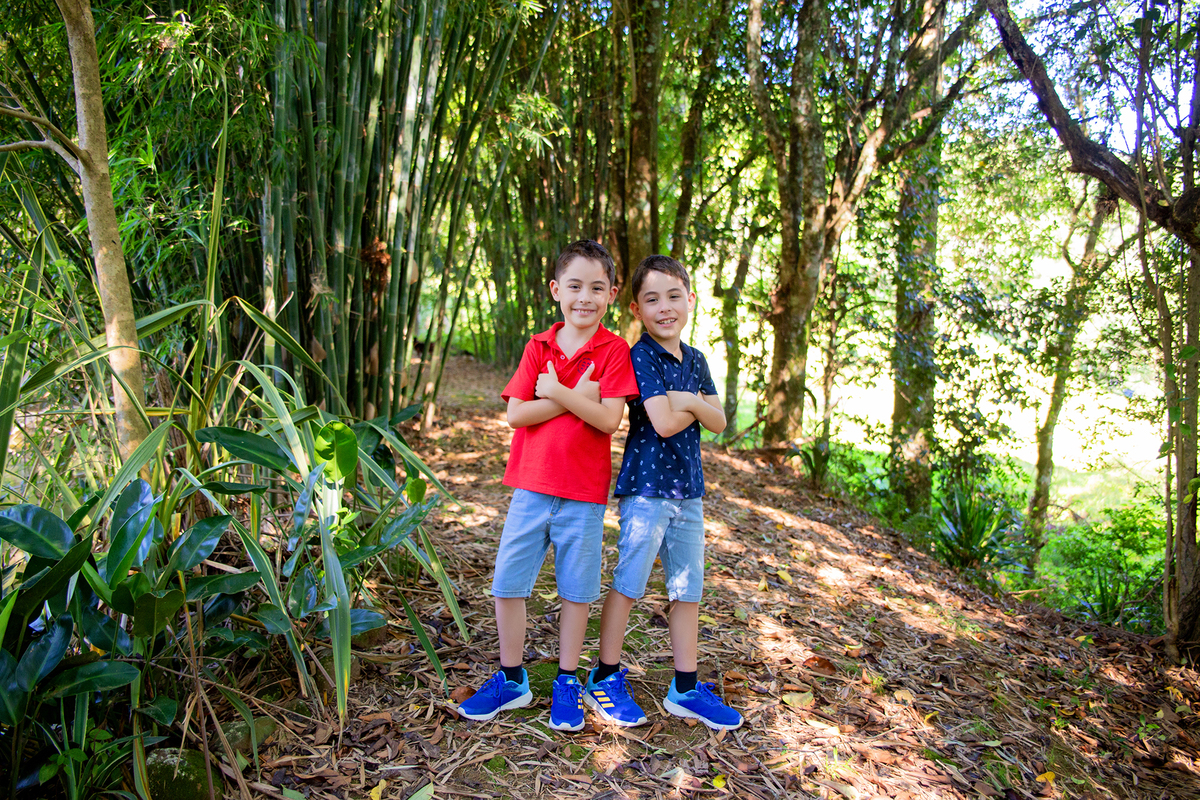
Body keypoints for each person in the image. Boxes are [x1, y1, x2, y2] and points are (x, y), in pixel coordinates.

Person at [456, 240, 639, 732]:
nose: (585, 297)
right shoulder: (539, 345)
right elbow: (517, 413)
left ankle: (565, 680)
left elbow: (607, 421)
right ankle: (512, 678)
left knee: (576, 592)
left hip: (582, 492)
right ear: (557, 290)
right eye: (575, 286)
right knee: (507, 584)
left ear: (613, 294)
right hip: (531, 487)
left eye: (597, 288)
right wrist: (574, 395)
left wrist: (554, 390)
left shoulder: (615, 349)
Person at [583, 255, 744, 731]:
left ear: (690, 300)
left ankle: (686, 686)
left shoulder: (696, 360)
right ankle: (604, 675)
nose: (664, 307)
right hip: (647, 489)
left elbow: (718, 421)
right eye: (652, 299)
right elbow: (664, 423)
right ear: (636, 308)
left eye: (674, 296)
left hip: (689, 492)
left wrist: (690, 400)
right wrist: (694, 406)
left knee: (687, 589)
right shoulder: (641, 355)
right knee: (630, 580)